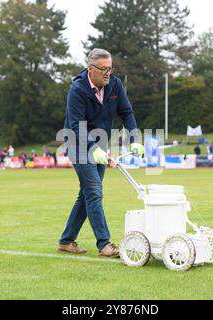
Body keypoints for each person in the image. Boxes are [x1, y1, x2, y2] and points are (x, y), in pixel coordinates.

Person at [59, 48, 144, 258]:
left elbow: (126, 112)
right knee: (94, 191)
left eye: (110, 68)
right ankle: (105, 245)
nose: (108, 73)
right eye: (103, 69)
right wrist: (92, 148)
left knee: (86, 194)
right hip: (77, 144)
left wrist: (134, 139)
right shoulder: (77, 89)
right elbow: (76, 124)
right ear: (91, 69)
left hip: (100, 144)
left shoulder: (115, 84)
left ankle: (66, 241)